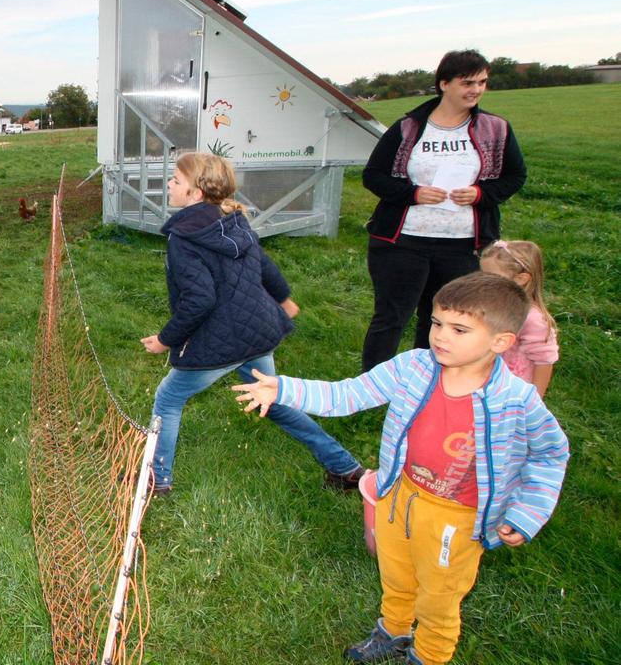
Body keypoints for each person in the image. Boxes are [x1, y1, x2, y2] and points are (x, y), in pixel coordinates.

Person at [234, 272, 568, 665]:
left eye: (459, 329)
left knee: (439, 596)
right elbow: (350, 393)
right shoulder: (414, 367)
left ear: (501, 342)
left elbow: (550, 455)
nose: (441, 336)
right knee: (396, 574)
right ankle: (393, 630)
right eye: (437, 323)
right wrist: (284, 389)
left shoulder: (517, 400)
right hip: (399, 496)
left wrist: (528, 512)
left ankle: (427, 655)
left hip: (457, 517)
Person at [141, 152, 365, 495]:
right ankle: (345, 468)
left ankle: (157, 479)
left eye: (176, 180)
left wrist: (165, 339)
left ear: (196, 194)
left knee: (168, 398)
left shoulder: (184, 238)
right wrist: (284, 299)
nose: (169, 184)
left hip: (223, 339)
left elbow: (200, 301)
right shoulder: (232, 218)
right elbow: (263, 263)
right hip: (256, 331)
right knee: (272, 399)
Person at [360, 50, 527, 371]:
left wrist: (481, 194)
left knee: (444, 319)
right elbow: (374, 176)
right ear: (444, 84)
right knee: (391, 317)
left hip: (464, 245)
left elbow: (516, 177)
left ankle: (429, 383)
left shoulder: (496, 129)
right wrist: (414, 194)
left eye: (482, 82)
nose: (475, 90)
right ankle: (371, 386)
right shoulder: (408, 128)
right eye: (467, 82)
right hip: (403, 241)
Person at [479, 239, 559, 397]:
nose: (484, 281)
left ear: (521, 279)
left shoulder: (532, 318)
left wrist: (535, 400)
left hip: (512, 392)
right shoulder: (491, 304)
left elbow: (544, 361)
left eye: (492, 276)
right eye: (483, 274)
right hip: (486, 384)